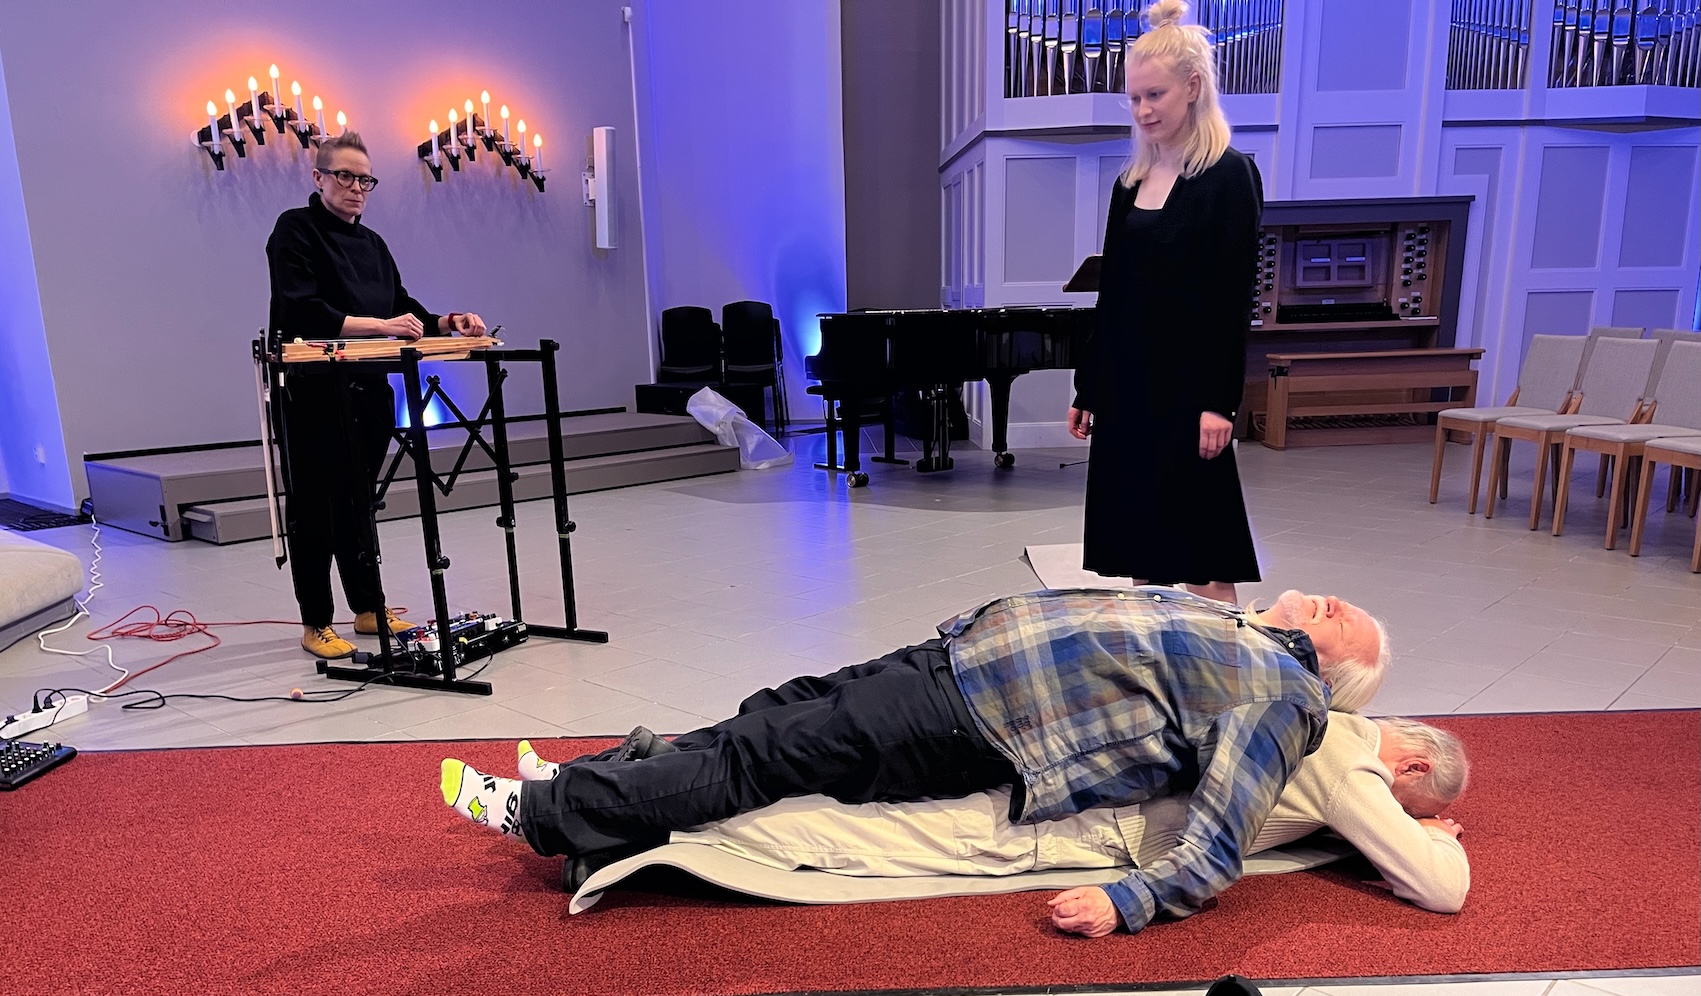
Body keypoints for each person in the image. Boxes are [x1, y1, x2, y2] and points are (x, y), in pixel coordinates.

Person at [442, 587, 1393, 936]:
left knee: (762, 755)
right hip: (954, 658)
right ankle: (588, 783)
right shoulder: (1228, 617)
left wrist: (1128, 900)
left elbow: (1218, 841)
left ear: (1340, 663)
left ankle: (548, 813)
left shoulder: (1285, 697)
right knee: (765, 716)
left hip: (975, 718)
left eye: (1343, 616)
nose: (1327, 600)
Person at [523, 712, 1471, 922]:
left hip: (1070, 758)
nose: (1390, 808)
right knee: (863, 837)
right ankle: (646, 830)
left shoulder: (1318, 708)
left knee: (852, 783)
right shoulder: (1355, 766)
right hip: (1095, 824)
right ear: (1413, 762)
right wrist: (1416, 838)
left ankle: (644, 783)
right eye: (1408, 794)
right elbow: (1441, 892)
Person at [1067, 0, 1262, 605]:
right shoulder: (1129, 183)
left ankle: (1221, 680)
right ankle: (1151, 682)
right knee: (1140, 544)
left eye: (1156, 95)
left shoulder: (1229, 175)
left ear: (1193, 87)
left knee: (1203, 550)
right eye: (1135, 98)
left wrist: (1217, 402)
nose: (1144, 110)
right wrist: (1089, 389)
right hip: (1128, 393)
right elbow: (1115, 297)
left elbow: (1231, 298)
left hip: (1187, 394)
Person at [266, 132, 487, 660]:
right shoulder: (294, 229)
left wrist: (446, 321)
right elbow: (303, 310)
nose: (356, 188)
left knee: (359, 504)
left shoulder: (374, 244)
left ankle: (367, 607)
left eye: (365, 179)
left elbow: (403, 306)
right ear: (318, 178)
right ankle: (316, 620)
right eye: (344, 176)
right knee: (315, 509)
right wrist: (382, 326)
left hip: (368, 393)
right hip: (313, 393)